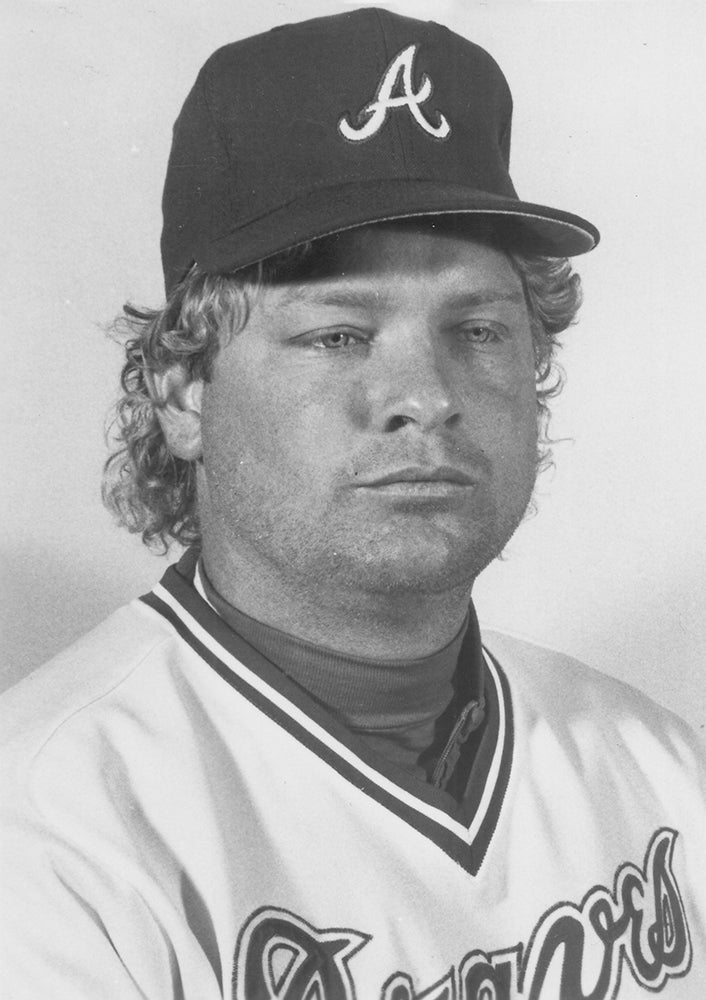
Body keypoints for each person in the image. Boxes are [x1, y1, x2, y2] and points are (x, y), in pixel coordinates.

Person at [1, 7, 704, 998]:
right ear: (181, 391)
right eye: (337, 333)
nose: (425, 396)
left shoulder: (661, 768)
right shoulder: (51, 825)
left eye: (477, 328)